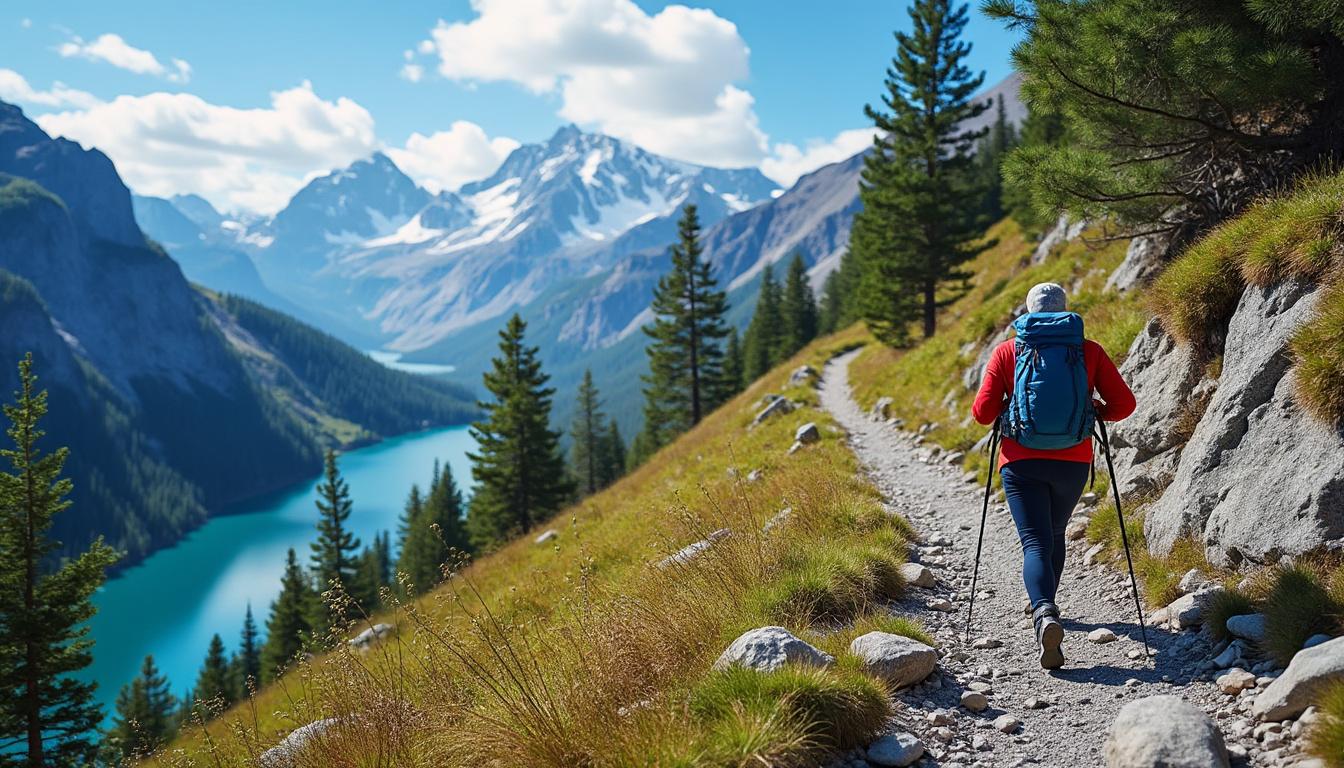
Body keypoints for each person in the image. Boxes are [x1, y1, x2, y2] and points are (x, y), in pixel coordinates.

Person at [972, 282, 1135, 669]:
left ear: (1028, 313)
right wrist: (1094, 413)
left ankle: (1044, 610)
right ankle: (1047, 606)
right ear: (1064, 310)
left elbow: (982, 413)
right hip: (1073, 461)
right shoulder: (1087, 351)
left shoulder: (1009, 351)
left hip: (1020, 462)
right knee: (1055, 533)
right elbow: (1125, 404)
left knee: (1034, 541)